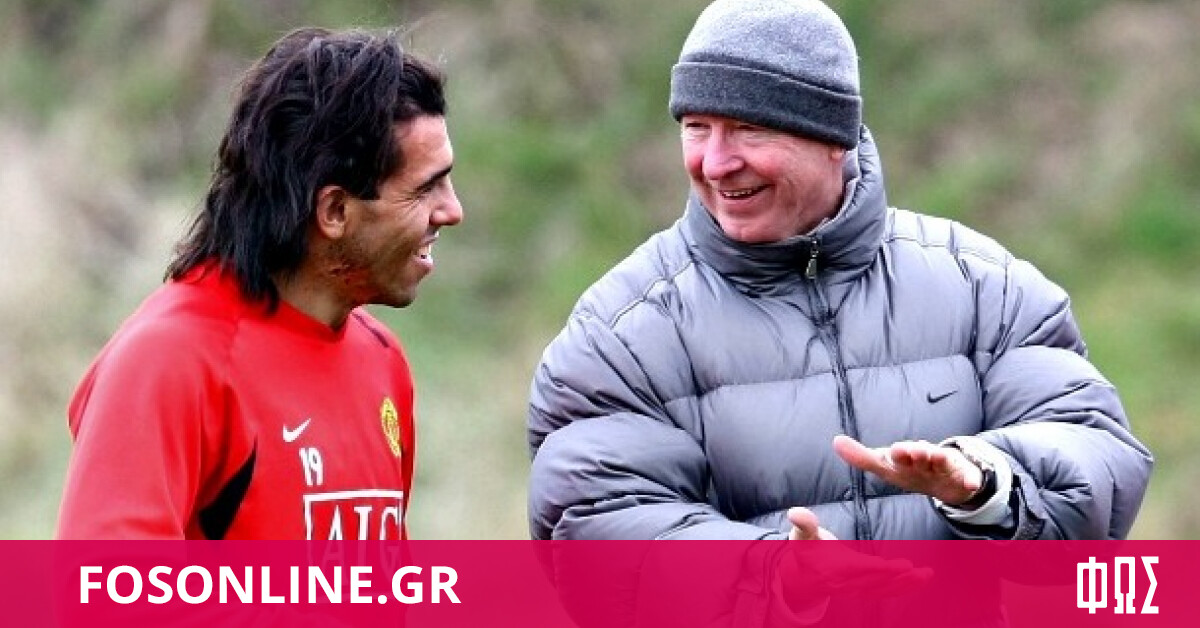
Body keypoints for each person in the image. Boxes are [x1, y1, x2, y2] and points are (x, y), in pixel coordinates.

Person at [528, 0, 1153, 622]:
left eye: (749, 129)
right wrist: (771, 575)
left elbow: (1093, 456)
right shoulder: (621, 331)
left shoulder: (985, 286)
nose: (715, 162)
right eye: (696, 127)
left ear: (834, 137)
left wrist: (984, 484)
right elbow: (597, 523)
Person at [56, 27, 463, 540]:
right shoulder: (169, 360)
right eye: (425, 189)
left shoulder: (382, 359)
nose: (453, 210)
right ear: (335, 211)